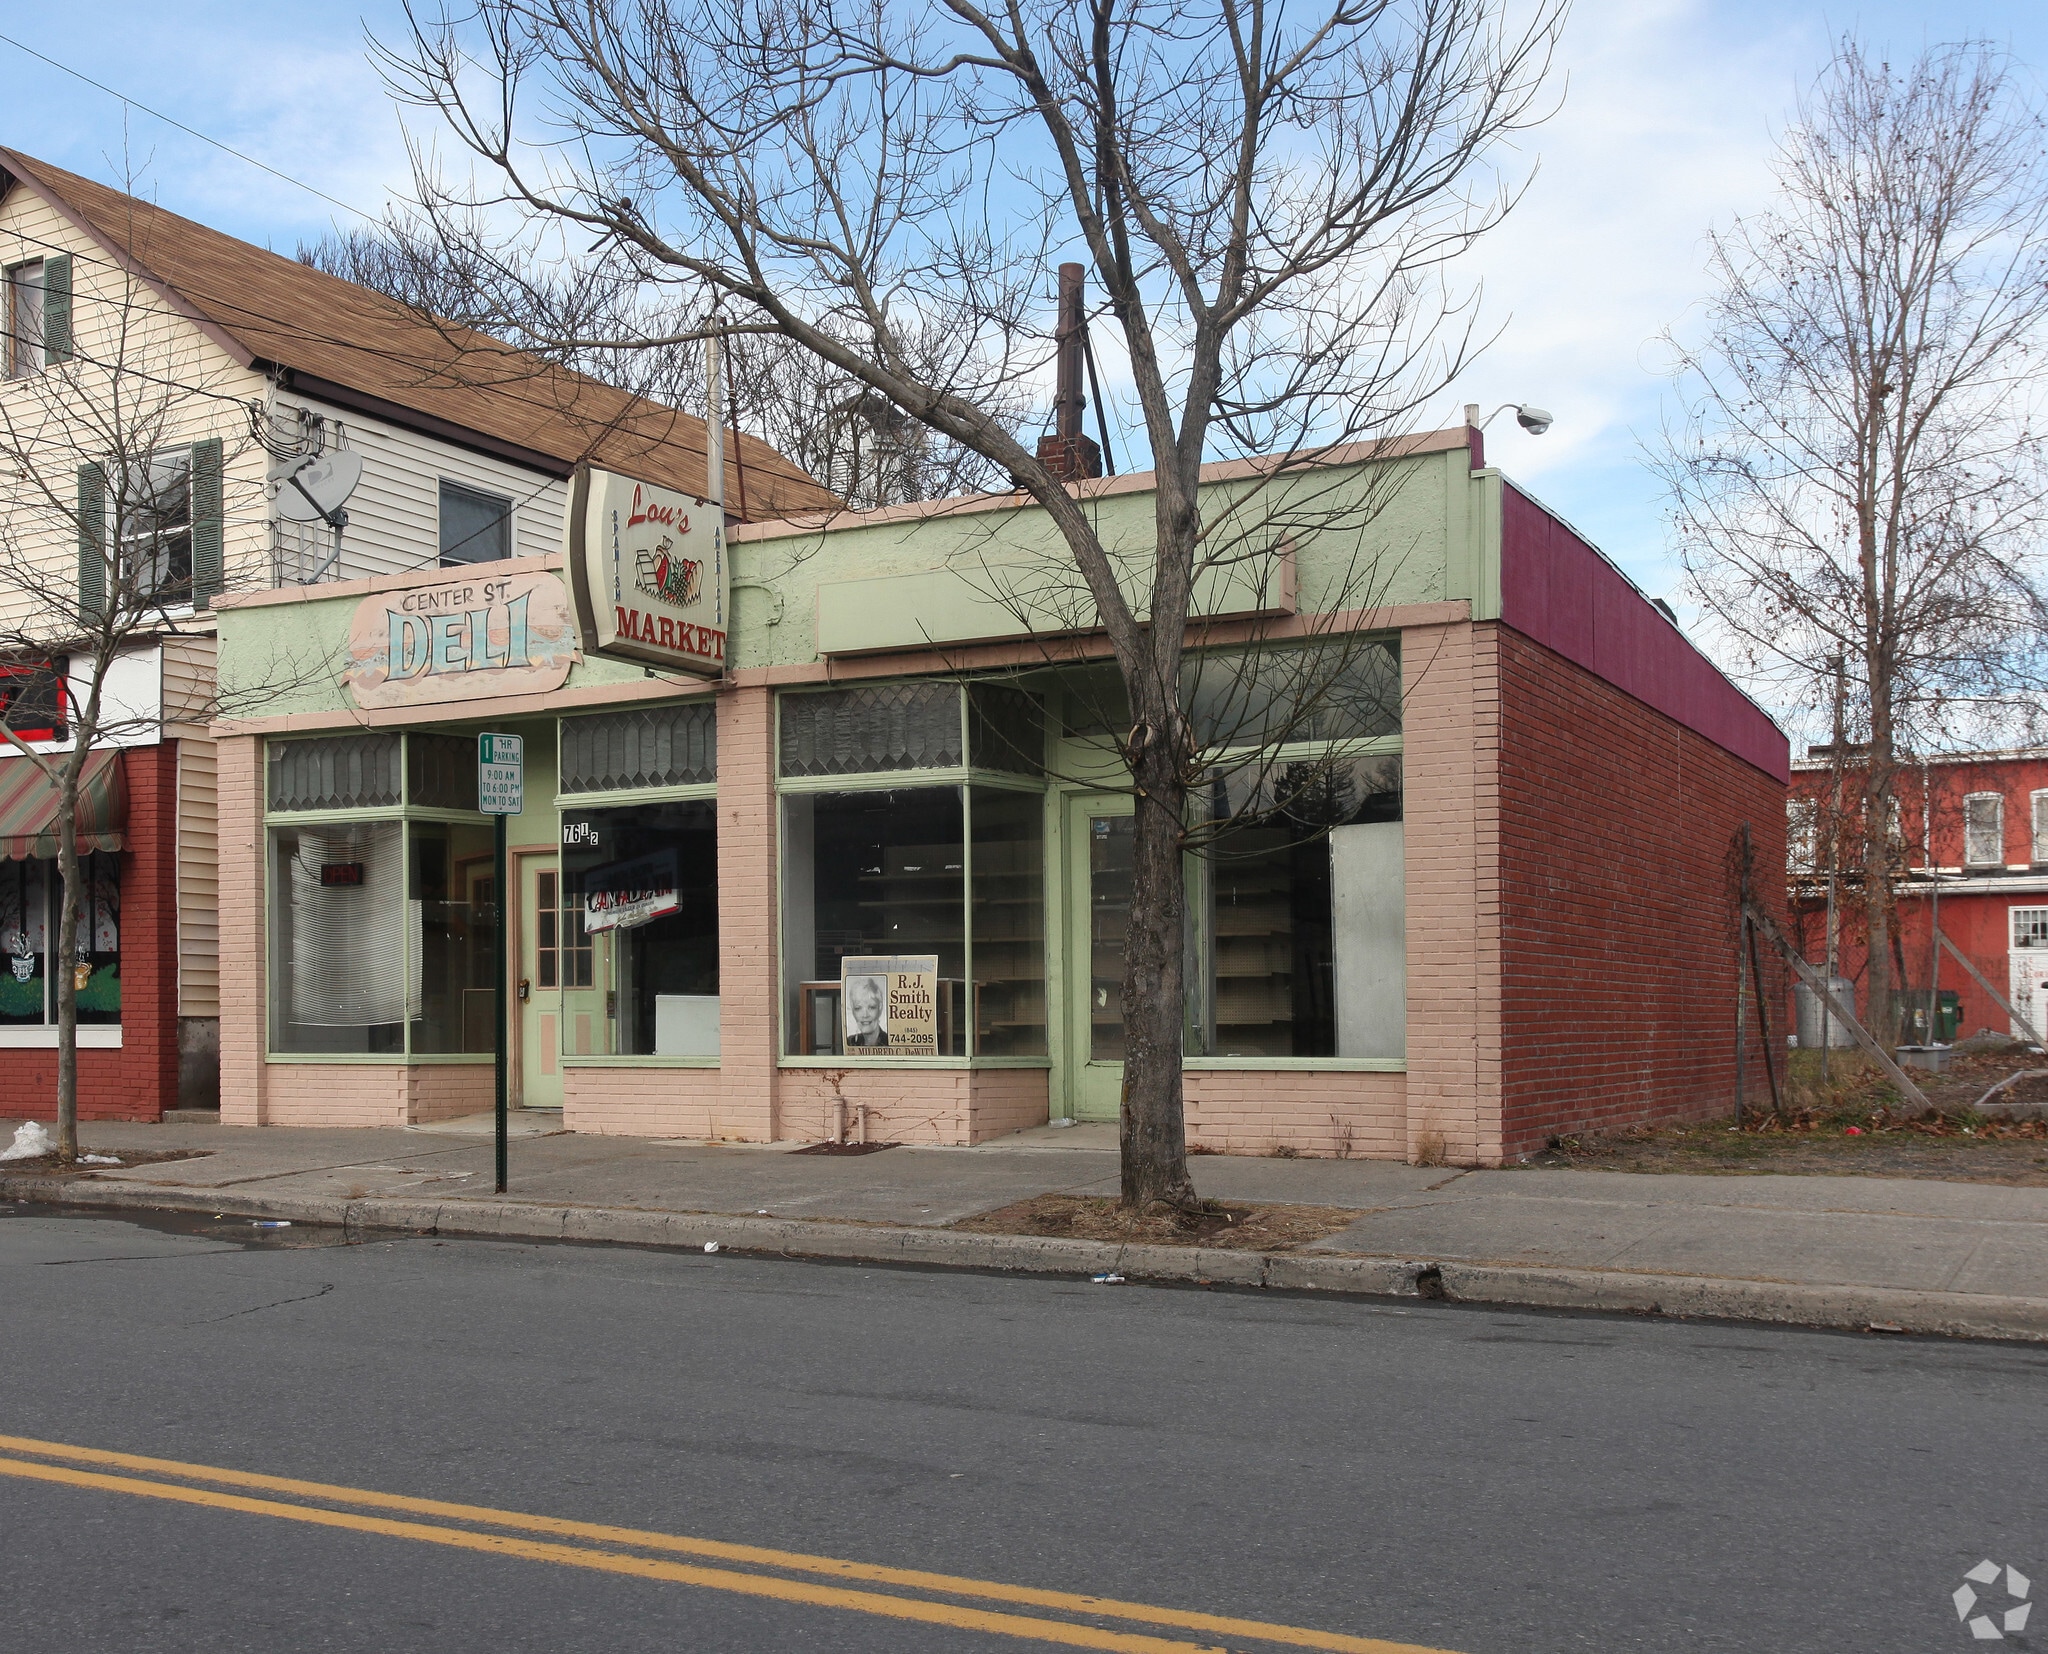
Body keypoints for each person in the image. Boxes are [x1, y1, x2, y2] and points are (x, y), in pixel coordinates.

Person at [844, 974, 888, 1047]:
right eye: (858, 1008)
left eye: (871, 1007)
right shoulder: (849, 1042)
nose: (865, 1015)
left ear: (880, 1008)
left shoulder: (890, 1042)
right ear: (852, 1011)